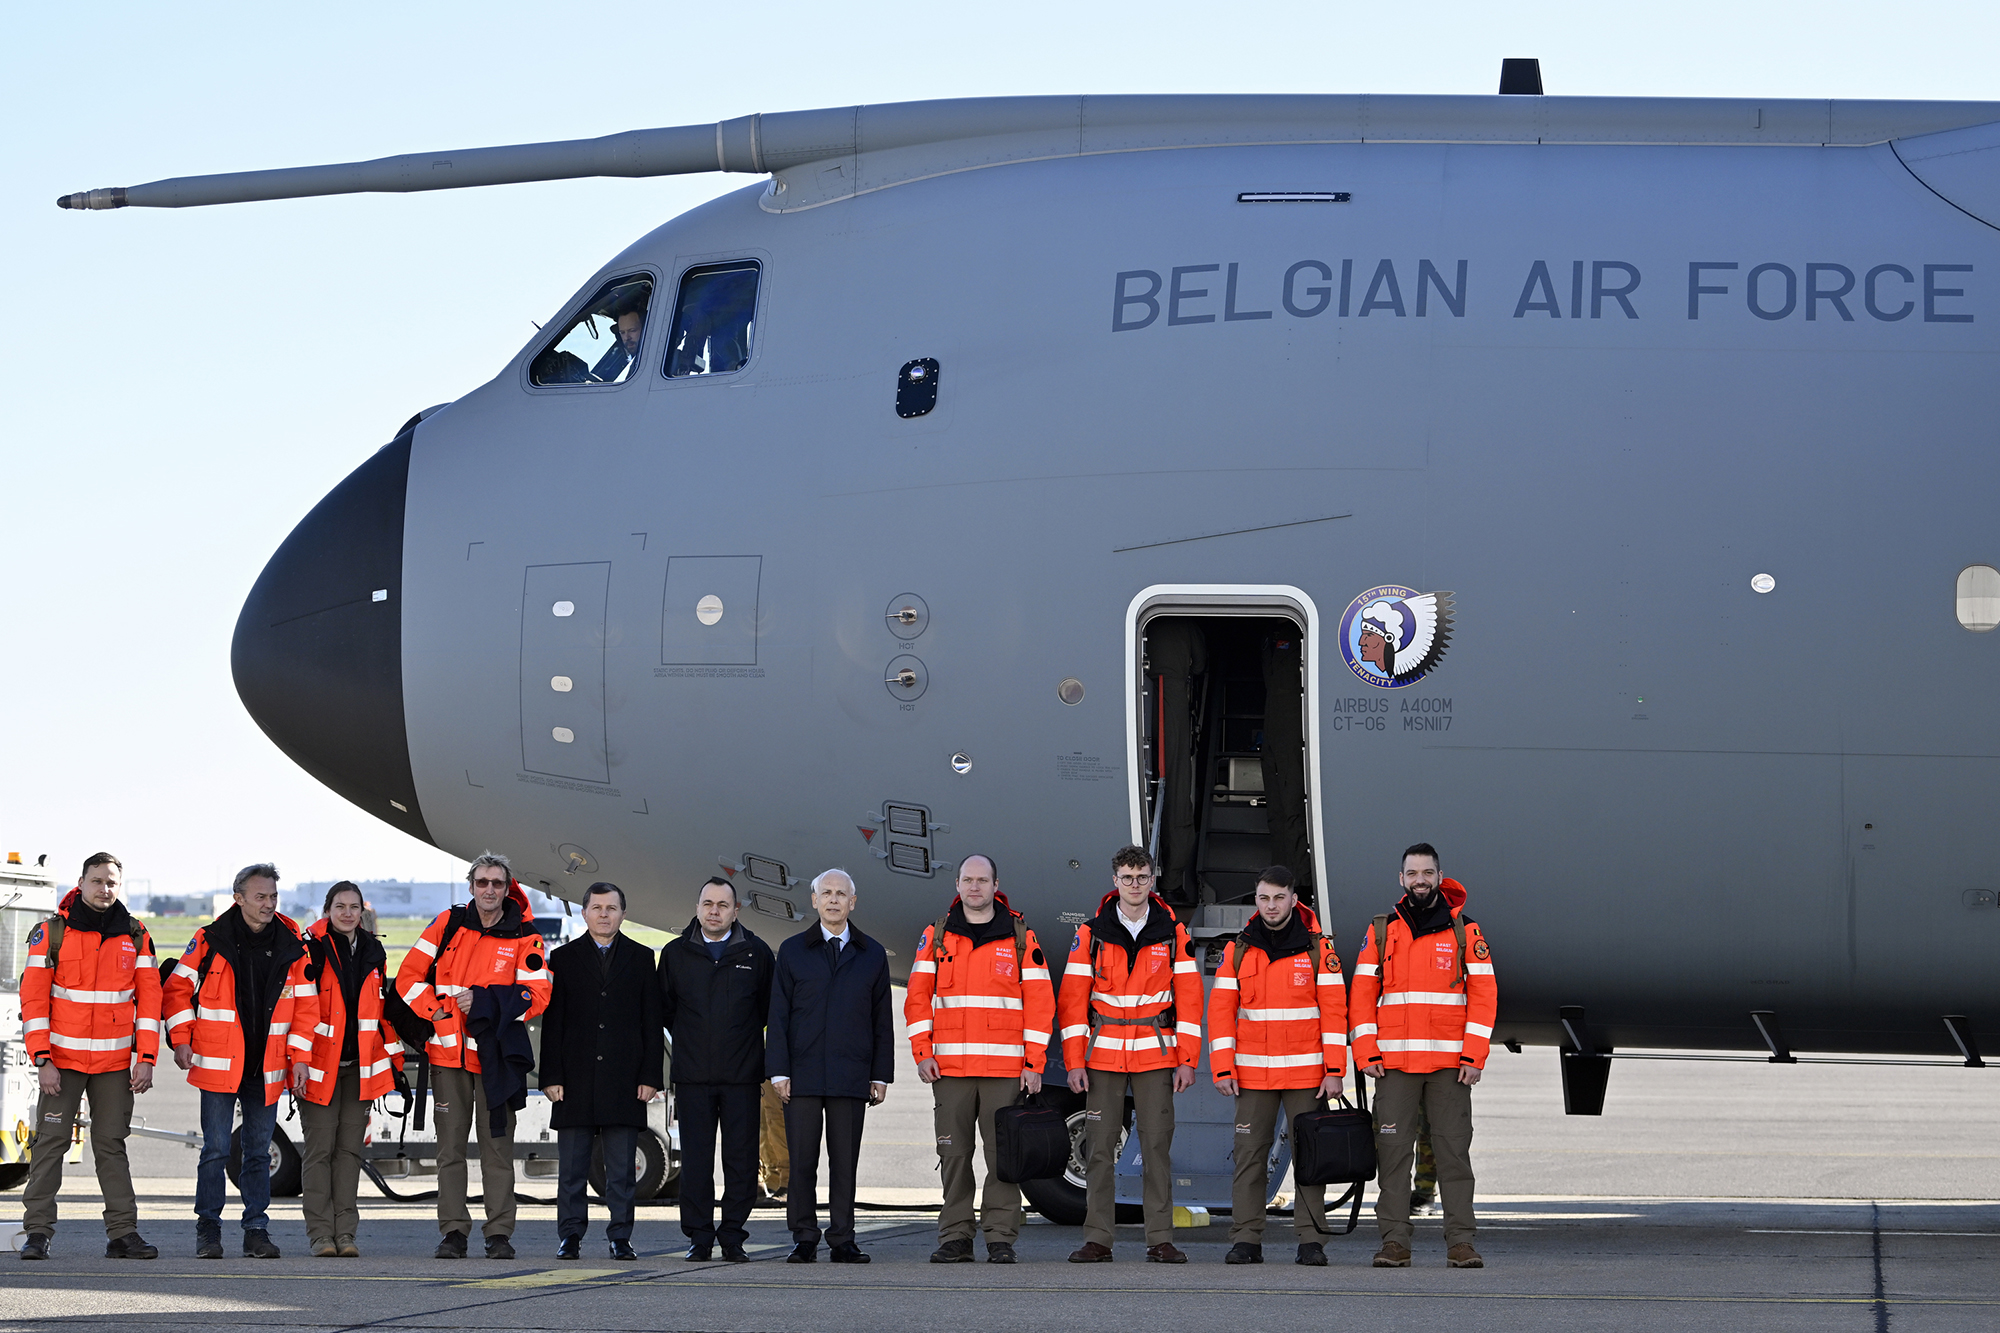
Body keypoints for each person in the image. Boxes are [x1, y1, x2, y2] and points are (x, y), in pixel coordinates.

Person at [394, 854, 551, 1260]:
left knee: (497, 1150)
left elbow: (537, 997)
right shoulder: (446, 925)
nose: (489, 890)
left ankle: (498, 1233)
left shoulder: (526, 936)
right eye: (482, 882)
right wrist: (437, 1010)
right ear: (471, 887)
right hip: (447, 1058)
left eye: (497, 883)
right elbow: (408, 977)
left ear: (507, 888)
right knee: (450, 1151)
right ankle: (453, 1233)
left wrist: (483, 1001)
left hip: (495, 1062)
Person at [1351, 842, 1497, 1270]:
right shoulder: (1381, 931)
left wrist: (1474, 1057)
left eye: (1427, 873)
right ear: (1401, 879)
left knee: (1454, 1154)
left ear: (1438, 876)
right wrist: (1365, 1051)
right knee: (1393, 1156)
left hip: (1450, 1069)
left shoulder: (1465, 932)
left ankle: (1461, 1243)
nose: (1420, 880)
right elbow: (1361, 996)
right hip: (1393, 1067)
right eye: (1412, 873)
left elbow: (1484, 996)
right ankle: (1394, 1242)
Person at [1058, 846, 1204, 1264]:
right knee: (1099, 1150)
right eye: (1127, 877)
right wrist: (1073, 1062)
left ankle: (1159, 1239)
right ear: (1115, 881)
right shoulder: (1090, 933)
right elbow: (1072, 1002)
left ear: (1152, 880)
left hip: (1156, 1057)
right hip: (1102, 1057)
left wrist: (1187, 1059)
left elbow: (1190, 1002)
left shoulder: (1173, 932)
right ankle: (1098, 1240)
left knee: (1157, 1148)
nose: (1135, 885)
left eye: (1142, 877)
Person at [905, 854, 1054, 1265]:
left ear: (995, 884)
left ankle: (1000, 1237)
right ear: (957, 885)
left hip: (1004, 1072)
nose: (974, 887)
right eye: (967, 880)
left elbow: (1040, 1004)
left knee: (1002, 1158)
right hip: (949, 1071)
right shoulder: (936, 936)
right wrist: (923, 1053)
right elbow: (917, 999)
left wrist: (1034, 1064)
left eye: (982, 880)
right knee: (953, 1155)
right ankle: (955, 1236)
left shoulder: (1021, 936)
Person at [164, 863, 316, 1259]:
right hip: (218, 1063)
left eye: (273, 897)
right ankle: (208, 1231)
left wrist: (299, 1057)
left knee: (258, 1153)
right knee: (214, 1150)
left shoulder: (291, 940)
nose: (268, 904)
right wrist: (181, 1039)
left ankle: (256, 1231)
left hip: (267, 1067)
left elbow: (306, 1007)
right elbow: (176, 990)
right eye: (261, 897)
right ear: (239, 899)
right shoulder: (209, 938)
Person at [18, 852, 161, 1261]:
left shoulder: (136, 936)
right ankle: (37, 1233)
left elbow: (150, 1003)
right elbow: (33, 1000)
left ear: (120, 886)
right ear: (81, 882)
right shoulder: (51, 933)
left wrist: (146, 1058)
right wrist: (42, 1059)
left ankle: (122, 1234)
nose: (105, 889)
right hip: (60, 1064)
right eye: (97, 881)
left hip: (115, 1067)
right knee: (50, 1144)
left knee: (111, 1146)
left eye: (112, 882)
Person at [1206, 865, 1346, 1266]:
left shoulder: (1320, 950)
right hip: (1252, 1077)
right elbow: (1220, 1014)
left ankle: (1310, 1241)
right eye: (1264, 898)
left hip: (1307, 1076)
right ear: (1256, 899)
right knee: (1249, 1155)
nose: (1271, 906)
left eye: (1279, 898)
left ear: (1293, 899)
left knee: (1310, 1157)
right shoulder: (1238, 950)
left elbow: (1335, 1014)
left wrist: (1335, 1071)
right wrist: (1222, 1068)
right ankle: (1247, 1239)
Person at [766, 869, 894, 1264]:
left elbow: (881, 1019)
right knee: (802, 1162)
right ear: (815, 901)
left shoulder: (871, 953)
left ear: (852, 903)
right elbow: (779, 1015)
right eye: (827, 893)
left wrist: (880, 1073)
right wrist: (779, 1071)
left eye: (841, 894)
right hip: (801, 1075)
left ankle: (843, 1238)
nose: (834, 900)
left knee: (844, 1163)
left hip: (850, 1074)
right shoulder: (791, 951)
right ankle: (804, 1237)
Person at [540, 882, 663, 1261]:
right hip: (573, 1080)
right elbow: (553, 1023)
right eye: (597, 907)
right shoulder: (562, 959)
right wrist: (551, 1077)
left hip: (624, 1081)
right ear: (584, 912)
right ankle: (570, 1236)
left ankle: (620, 1237)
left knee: (622, 1170)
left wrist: (650, 1077)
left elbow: (651, 1022)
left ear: (624, 913)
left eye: (612, 908)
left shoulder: (643, 958)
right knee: (573, 1169)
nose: (604, 914)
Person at [659, 876, 773, 1262]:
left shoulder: (757, 953)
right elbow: (667, 1010)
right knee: (695, 1162)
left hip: (741, 1076)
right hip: (692, 1076)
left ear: (735, 910)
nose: (714, 911)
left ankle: (733, 1236)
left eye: (723, 905)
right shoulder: (675, 954)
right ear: (697, 908)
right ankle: (699, 1236)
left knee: (740, 1161)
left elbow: (766, 1009)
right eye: (708, 903)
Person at [298, 881, 406, 1258]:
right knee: (319, 1151)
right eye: (340, 906)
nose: (347, 913)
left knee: (348, 1154)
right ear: (327, 909)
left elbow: (377, 1015)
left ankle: (346, 1234)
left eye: (354, 907)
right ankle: (320, 1234)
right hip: (319, 1067)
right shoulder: (308, 948)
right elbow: (298, 1009)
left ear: (362, 911)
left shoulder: (374, 952)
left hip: (358, 1070)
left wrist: (394, 1062)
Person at [591, 308, 646, 381]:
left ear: (645, 328)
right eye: (622, 332)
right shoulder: (637, 364)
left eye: (632, 330)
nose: (627, 337)